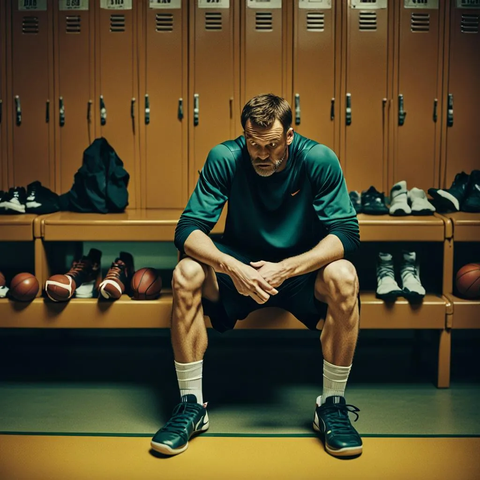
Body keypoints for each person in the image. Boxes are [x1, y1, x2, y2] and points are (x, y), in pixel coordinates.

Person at [151, 94, 362, 458]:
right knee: (186, 272)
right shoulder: (226, 157)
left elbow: (346, 233)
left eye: (272, 146)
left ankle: (332, 405)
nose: (263, 155)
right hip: (240, 271)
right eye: (254, 144)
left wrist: (288, 267)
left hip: (298, 272)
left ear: (290, 136)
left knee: (344, 275)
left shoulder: (317, 159)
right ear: (244, 135)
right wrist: (231, 266)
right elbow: (188, 230)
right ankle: (191, 406)